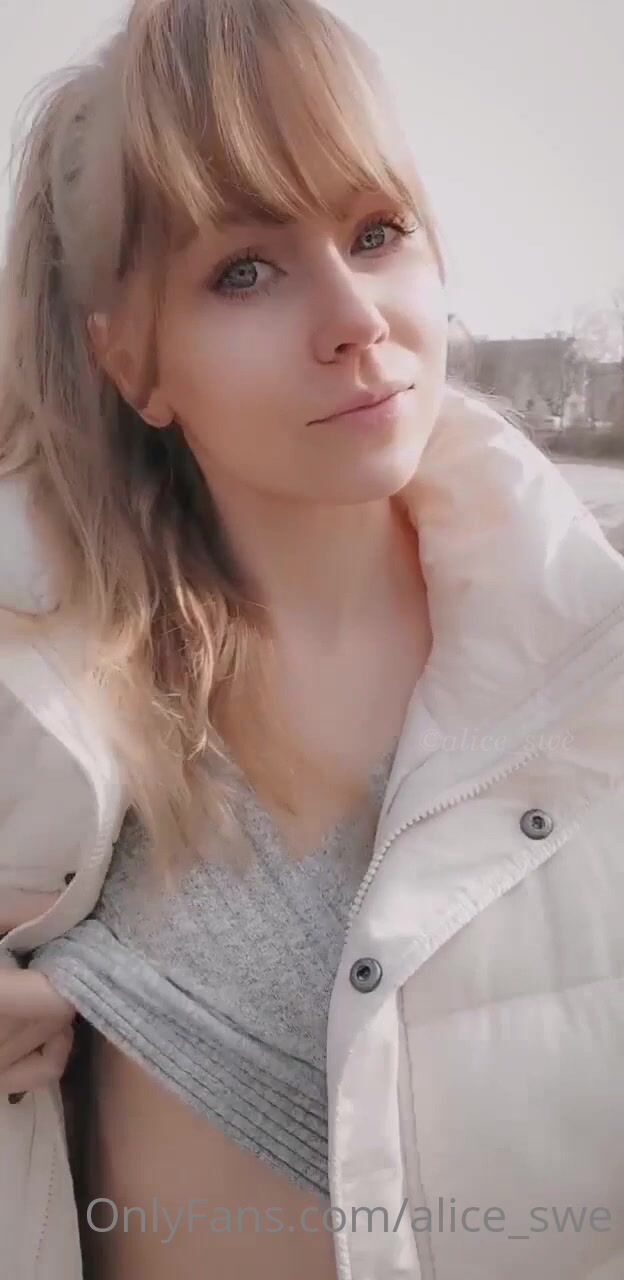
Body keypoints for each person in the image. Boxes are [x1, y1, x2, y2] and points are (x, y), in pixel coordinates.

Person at [1, 0, 624, 1277]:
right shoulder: (45, 701)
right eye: (245, 268)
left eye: (377, 232)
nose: (356, 317)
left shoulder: (593, 673)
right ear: (132, 363)